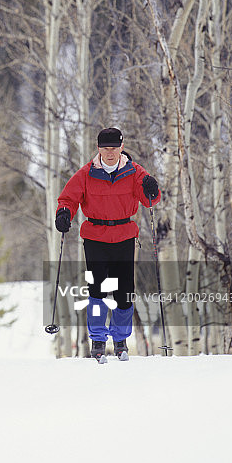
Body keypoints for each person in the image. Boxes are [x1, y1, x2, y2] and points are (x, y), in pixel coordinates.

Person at [55, 127, 160, 363]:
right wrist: (64, 213)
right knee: (97, 290)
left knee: (124, 291)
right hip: (95, 237)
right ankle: (98, 340)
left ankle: (120, 340)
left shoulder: (134, 172)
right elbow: (68, 198)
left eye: (114, 148)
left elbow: (150, 200)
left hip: (124, 236)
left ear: (121, 147)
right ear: (98, 149)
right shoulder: (86, 173)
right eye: (105, 148)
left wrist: (152, 189)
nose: (110, 153)